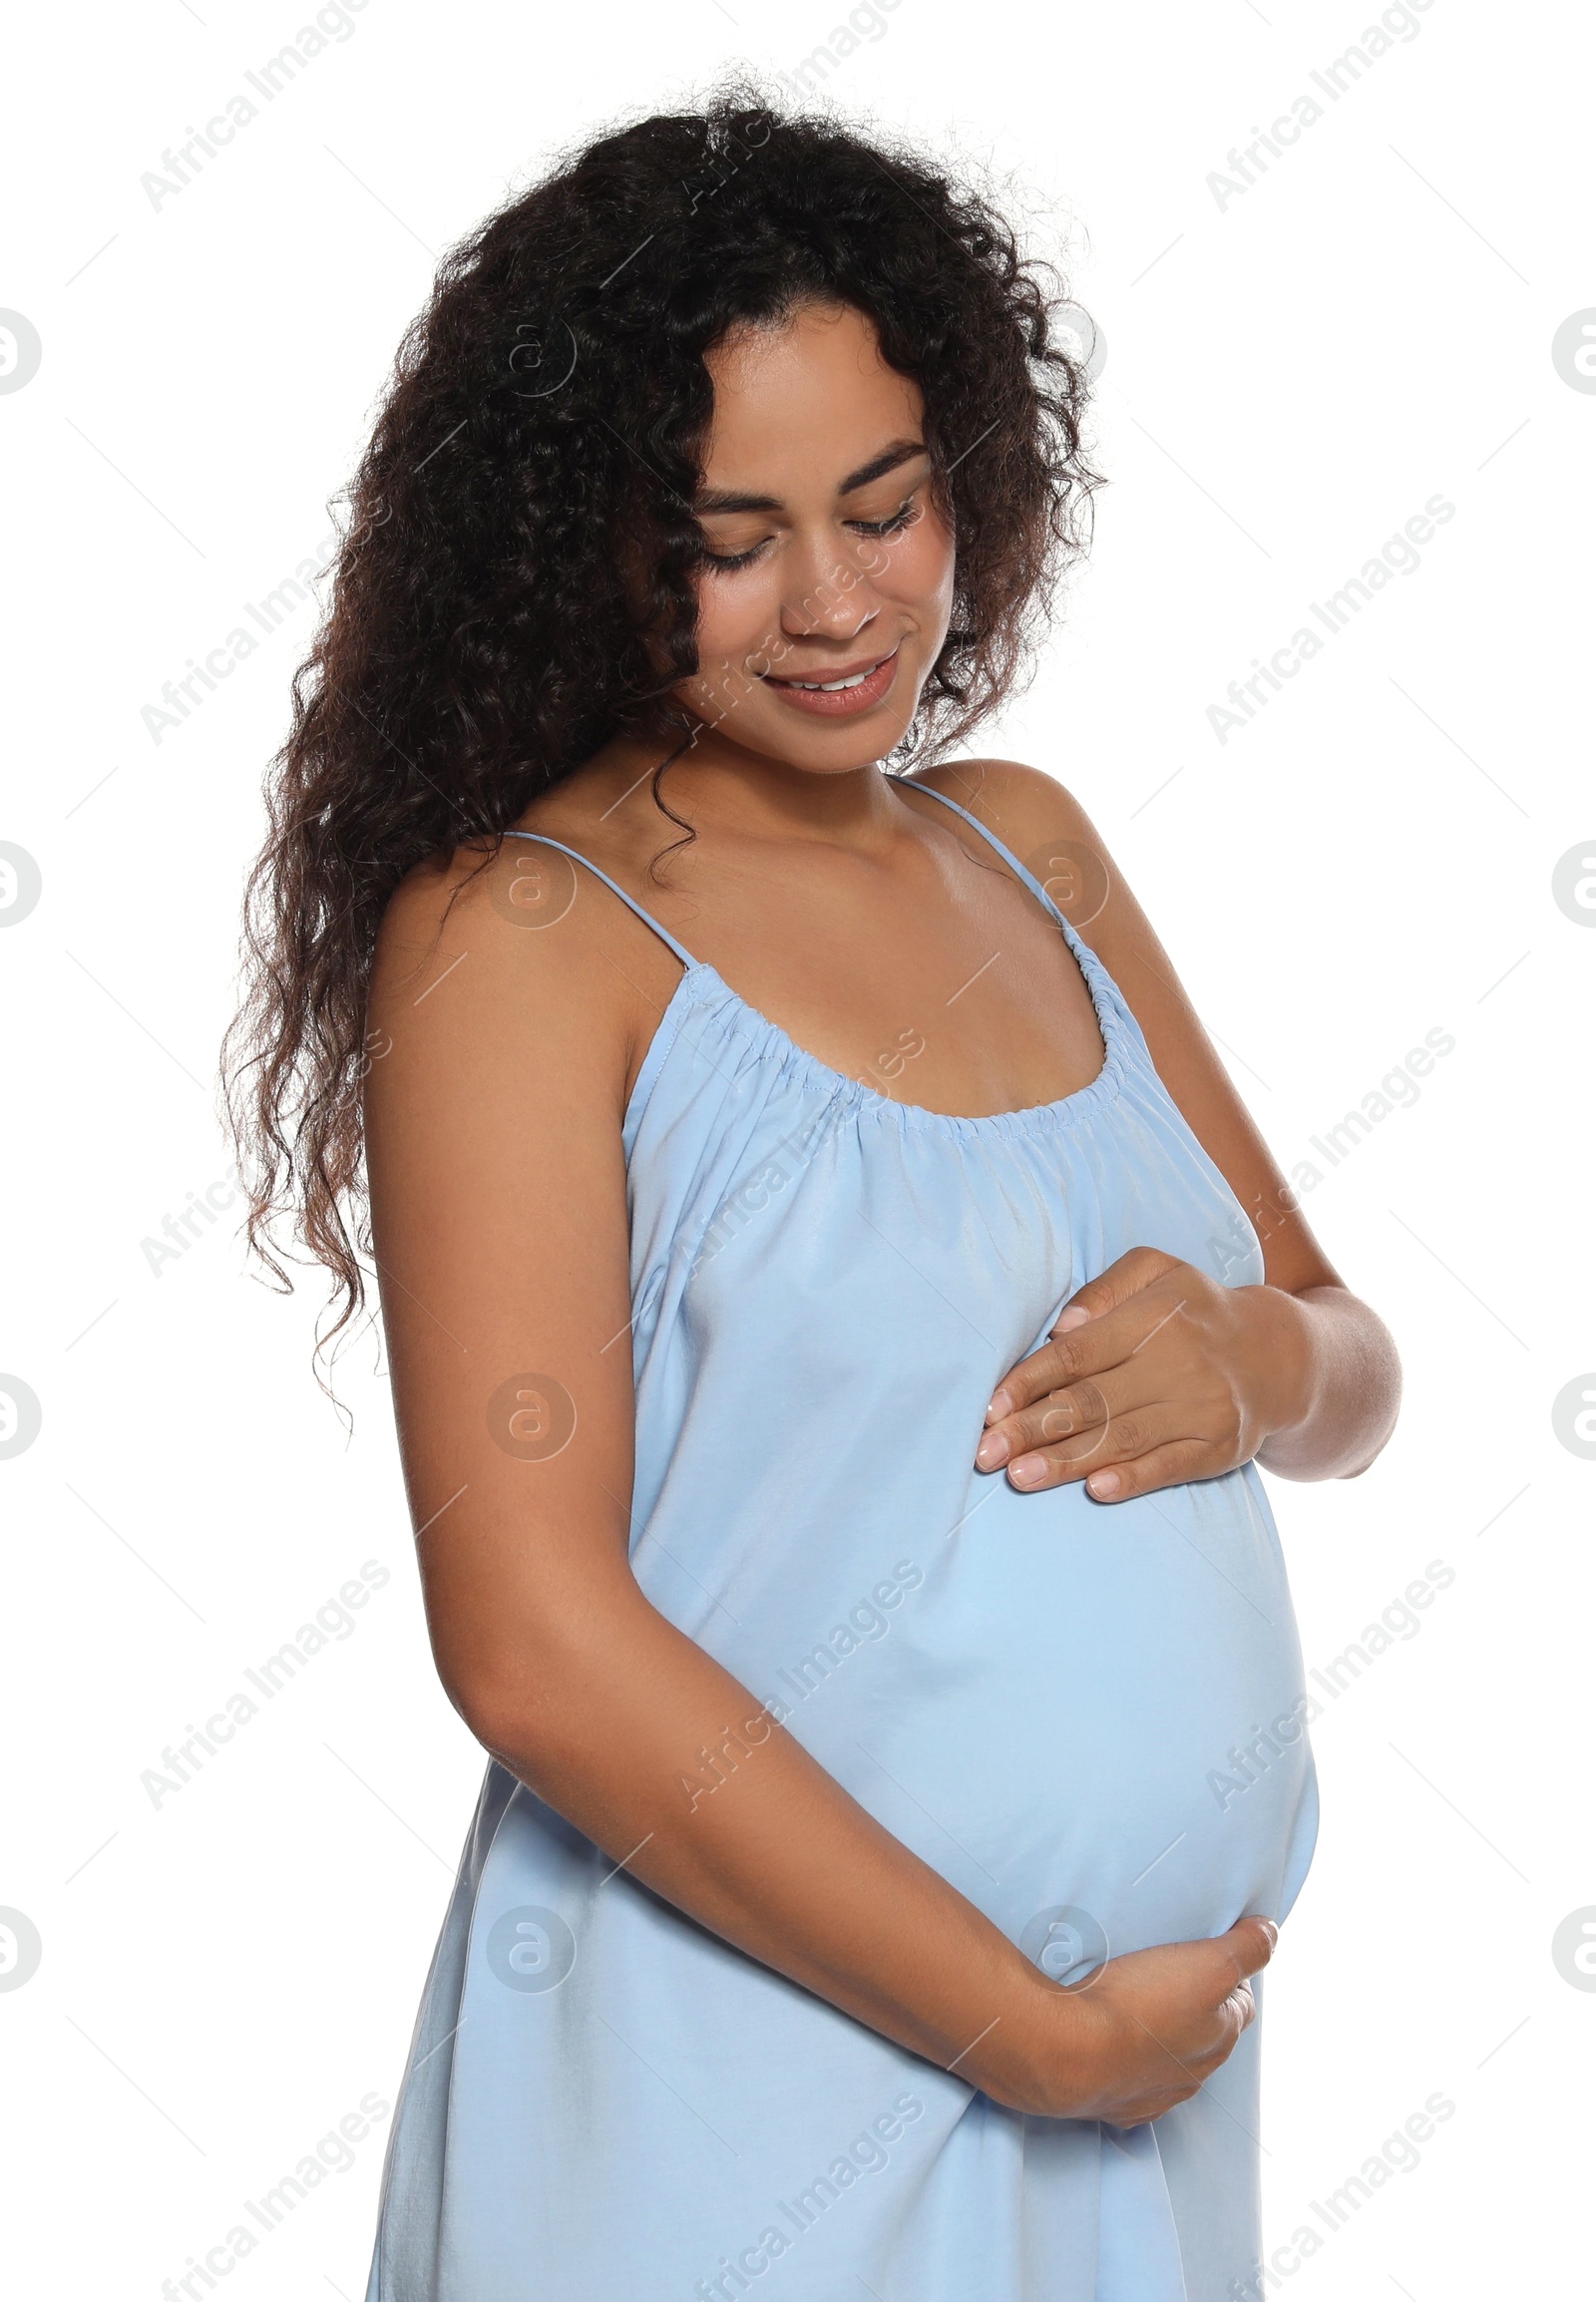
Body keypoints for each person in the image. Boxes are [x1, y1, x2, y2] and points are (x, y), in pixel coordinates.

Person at [225, 93, 1400, 2302]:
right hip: (742, 2107)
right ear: (587, 537)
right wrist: (1025, 2029)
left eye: (883, 505)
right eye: (730, 535)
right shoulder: (523, 937)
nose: (838, 603)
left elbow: (1348, 1360)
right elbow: (533, 1644)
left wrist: (1252, 1359)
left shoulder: (1024, 847)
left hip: (1138, 2107)